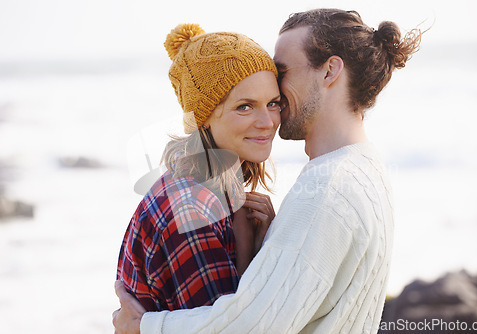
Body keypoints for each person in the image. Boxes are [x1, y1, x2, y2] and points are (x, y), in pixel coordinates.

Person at [113, 8, 422, 333]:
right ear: (205, 115)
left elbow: (249, 323)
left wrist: (144, 327)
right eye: (245, 105)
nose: (270, 115)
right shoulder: (366, 167)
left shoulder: (327, 189)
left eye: (282, 72)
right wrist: (267, 247)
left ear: (330, 71)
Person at [116, 23, 280, 312]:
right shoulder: (192, 208)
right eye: (245, 106)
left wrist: (254, 248)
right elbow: (226, 328)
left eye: (273, 103)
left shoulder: (221, 189)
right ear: (203, 117)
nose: (267, 122)